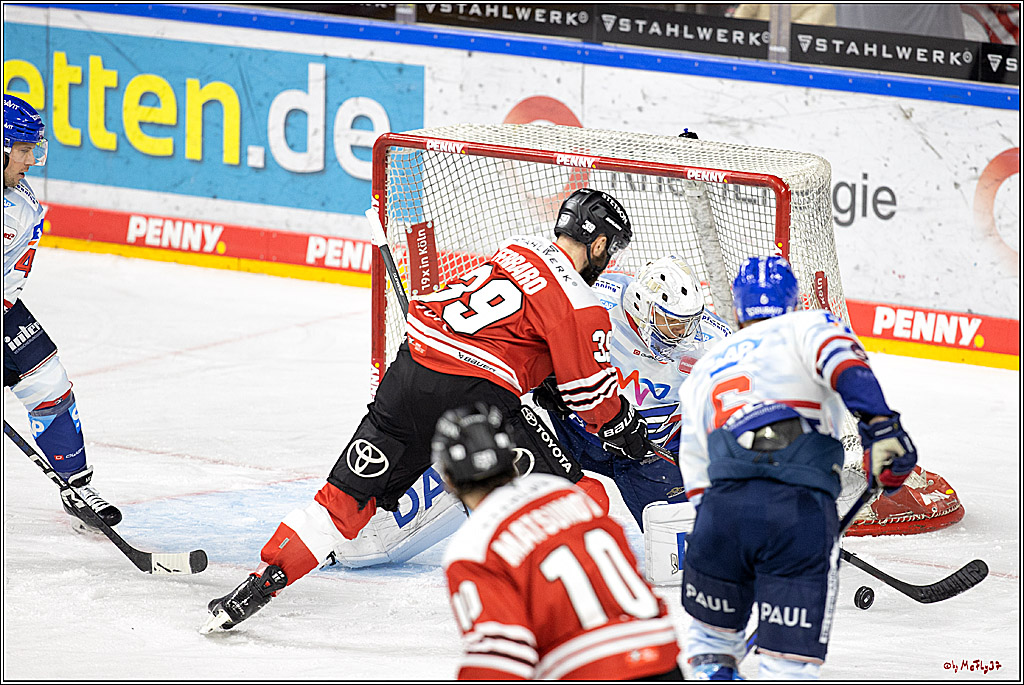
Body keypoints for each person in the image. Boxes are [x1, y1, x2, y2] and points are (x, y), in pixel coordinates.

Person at [201, 187, 653, 633]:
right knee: (578, 496)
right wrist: (623, 425)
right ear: (598, 244)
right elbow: (591, 398)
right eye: (610, 250)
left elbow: (511, 328)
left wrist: (544, 375)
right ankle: (565, 613)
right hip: (474, 395)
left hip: (410, 371)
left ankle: (259, 584)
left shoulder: (516, 249)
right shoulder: (581, 303)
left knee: (342, 502)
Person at [676, 256, 917, 680]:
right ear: (793, 301)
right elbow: (845, 364)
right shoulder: (806, 325)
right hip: (796, 511)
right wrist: (881, 426)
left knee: (711, 650)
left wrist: (730, 526)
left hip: (719, 515)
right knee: (785, 667)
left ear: (738, 308)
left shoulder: (707, 367)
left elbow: (694, 465)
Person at [434, 403, 684, 680]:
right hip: (662, 657)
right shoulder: (566, 493)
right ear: (512, 458)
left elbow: (500, 661)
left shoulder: (473, 546)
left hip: (591, 670)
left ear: (448, 479)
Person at [534, 254, 732, 531]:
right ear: (642, 306)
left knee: (683, 534)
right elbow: (536, 328)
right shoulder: (595, 299)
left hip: (653, 452)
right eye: (671, 321)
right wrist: (547, 375)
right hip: (579, 432)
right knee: (556, 524)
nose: (682, 333)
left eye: (689, 323)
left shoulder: (716, 342)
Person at [3, 94, 122, 533]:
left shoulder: (21, 205)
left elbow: (11, 277)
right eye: (23, 149)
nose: (31, 160)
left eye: (32, 149)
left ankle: (76, 488)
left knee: (50, 384)